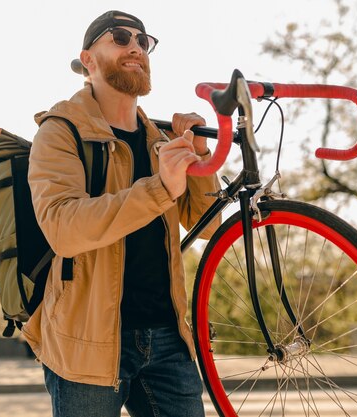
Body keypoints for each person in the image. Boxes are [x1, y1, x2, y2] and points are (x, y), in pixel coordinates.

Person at [22, 10, 220, 417]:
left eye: (143, 40)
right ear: (88, 60)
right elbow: (63, 228)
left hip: (168, 338)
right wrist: (159, 188)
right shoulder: (60, 131)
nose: (135, 46)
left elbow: (208, 224)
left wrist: (199, 159)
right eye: (118, 36)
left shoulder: (159, 141)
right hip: (87, 342)